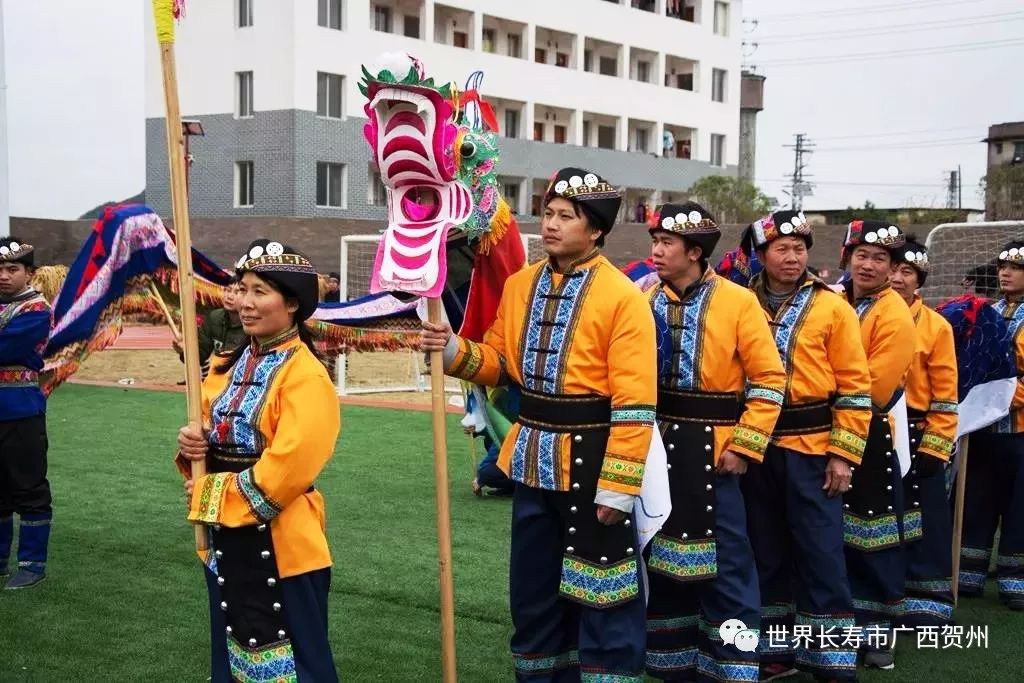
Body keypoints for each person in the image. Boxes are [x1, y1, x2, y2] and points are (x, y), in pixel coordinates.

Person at [421, 167, 657, 681]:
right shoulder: (519, 284)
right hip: (530, 457)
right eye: (547, 213)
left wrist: (619, 486)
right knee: (534, 585)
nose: (550, 224)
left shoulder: (622, 297)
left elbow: (636, 402)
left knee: (602, 588)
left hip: (596, 458)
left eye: (565, 216)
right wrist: (453, 349)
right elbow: (501, 362)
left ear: (595, 230)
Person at [176, 239, 341, 681]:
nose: (244, 303)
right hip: (227, 542)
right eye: (241, 288)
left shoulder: (306, 377)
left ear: (291, 304)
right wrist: (197, 445)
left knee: (296, 664)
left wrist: (209, 492)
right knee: (233, 659)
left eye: (259, 292)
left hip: (285, 544)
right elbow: (213, 431)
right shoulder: (228, 364)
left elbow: (285, 473)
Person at [643, 202, 785, 681]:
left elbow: (769, 380)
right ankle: (670, 659)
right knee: (659, 552)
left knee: (726, 558)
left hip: (715, 445)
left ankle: (734, 663)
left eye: (666, 244)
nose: (656, 252)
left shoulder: (739, 301)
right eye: (655, 242)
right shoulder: (646, 299)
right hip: (658, 444)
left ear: (696, 251)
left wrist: (744, 445)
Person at [738, 211, 870, 682]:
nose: (792, 257)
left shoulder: (833, 307)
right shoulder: (739, 302)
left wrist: (843, 455)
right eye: (781, 249)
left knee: (821, 552)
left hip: (813, 448)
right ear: (761, 254)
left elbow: (855, 387)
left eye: (799, 249)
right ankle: (776, 651)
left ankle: (833, 659)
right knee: (764, 551)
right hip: (754, 447)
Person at [839, 220, 916, 670]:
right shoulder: (834, 298)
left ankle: (879, 634)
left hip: (870, 434)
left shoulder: (893, 313)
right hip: (824, 429)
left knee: (873, 536)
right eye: (861, 255)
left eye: (879, 258)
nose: (867, 265)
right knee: (834, 538)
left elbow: (876, 388)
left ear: (893, 267)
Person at [889, 237, 959, 628]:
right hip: (874, 431)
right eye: (893, 269)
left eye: (907, 272)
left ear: (920, 281)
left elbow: (946, 395)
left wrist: (937, 443)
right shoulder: (861, 314)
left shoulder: (937, 327)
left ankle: (926, 602)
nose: (897, 278)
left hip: (918, 431)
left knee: (926, 518)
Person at [959, 240, 1024, 609]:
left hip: (1020, 429)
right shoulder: (986, 311)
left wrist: (1002, 396)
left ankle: (1015, 578)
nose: (1005, 273)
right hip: (982, 427)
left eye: (1014, 267)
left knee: (1020, 505)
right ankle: (969, 570)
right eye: (1002, 266)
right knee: (977, 499)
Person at [0, 237, 54, 590]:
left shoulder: (37, 309)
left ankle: (32, 563)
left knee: (28, 485)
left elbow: (7, 348)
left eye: (11, 269)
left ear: (30, 273)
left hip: (20, 412)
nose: (3, 276)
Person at [173, 277, 246, 379]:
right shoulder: (214, 318)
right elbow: (199, 357)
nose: (229, 296)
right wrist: (184, 350)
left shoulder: (255, 324)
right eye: (227, 290)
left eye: (236, 292)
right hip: (219, 381)